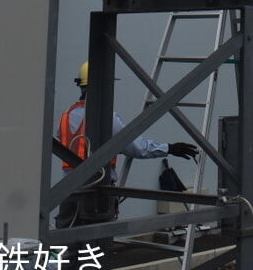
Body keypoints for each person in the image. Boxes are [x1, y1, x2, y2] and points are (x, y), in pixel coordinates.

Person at [56, 61, 199, 228]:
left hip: (68, 192)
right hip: (97, 192)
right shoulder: (107, 117)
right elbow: (136, 148)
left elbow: (70, 143)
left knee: (64, 242)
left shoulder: (66, 115)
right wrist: (169, 148)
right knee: (97, 241)